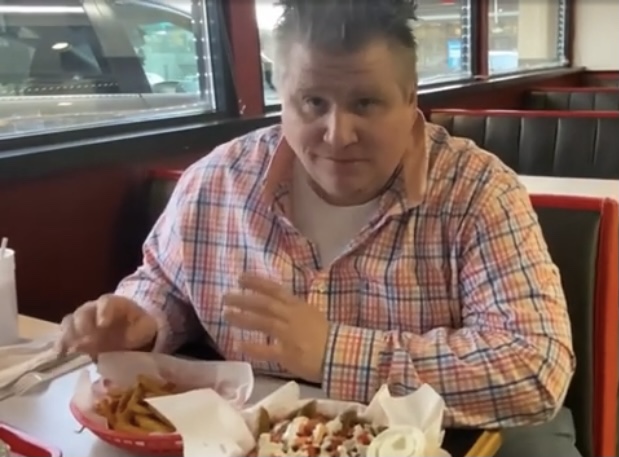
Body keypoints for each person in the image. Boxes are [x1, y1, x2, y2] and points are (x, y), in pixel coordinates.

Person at [56, 0, 579, 455]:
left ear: (410, 99)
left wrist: (332, 352)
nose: (338, 134)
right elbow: (167, 282)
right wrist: (142, 318)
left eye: (365, 103)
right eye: (313, 103)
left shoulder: (479, 192)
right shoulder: (217, 181)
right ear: (281, 96)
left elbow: (534, 368)